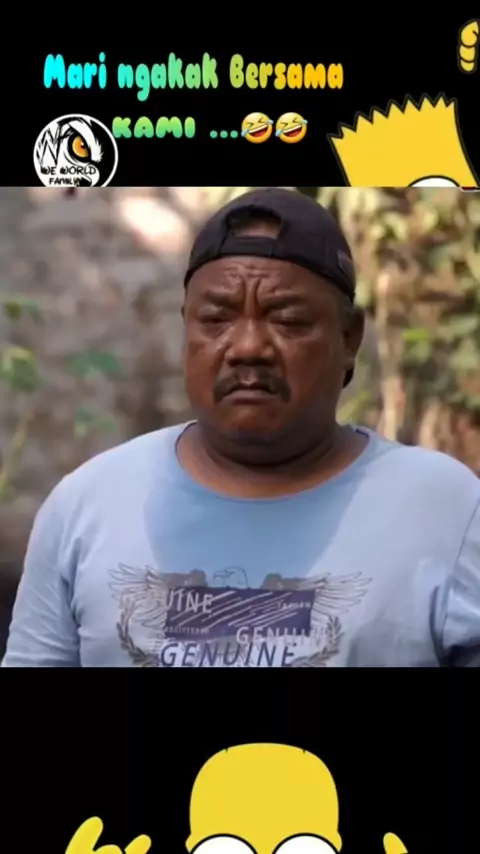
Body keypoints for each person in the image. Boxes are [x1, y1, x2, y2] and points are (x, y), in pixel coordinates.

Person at [3, 188, 480, 668]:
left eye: (288, 320)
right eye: (216, 319)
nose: (249, 346)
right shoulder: (86, 508)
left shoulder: (447, 511)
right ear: (187, 328)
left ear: (349, 339)